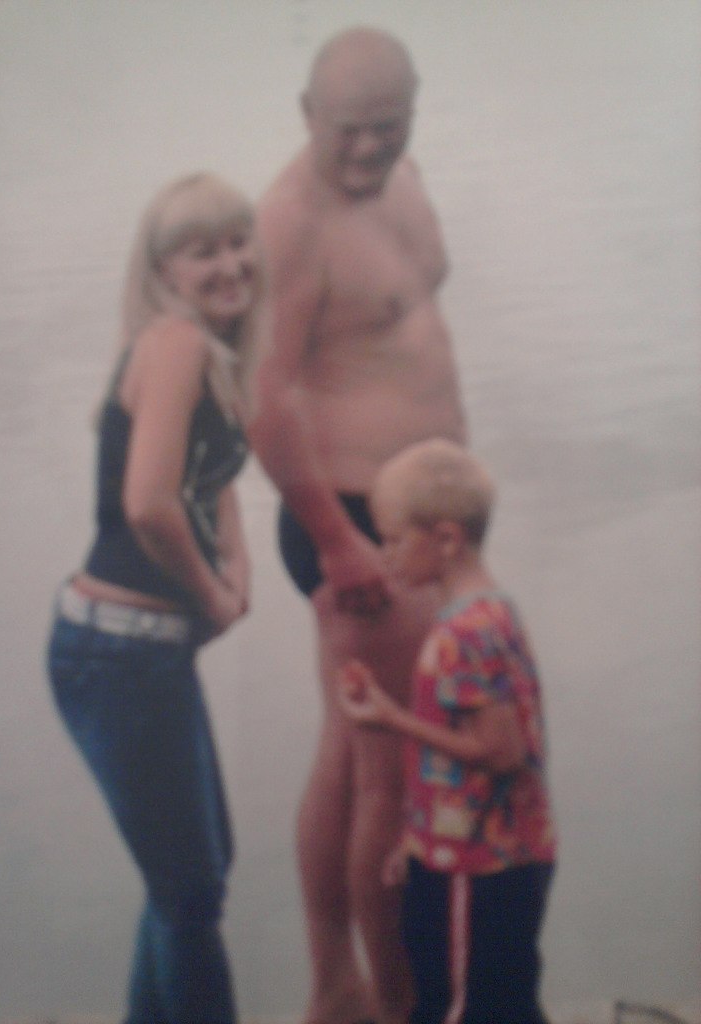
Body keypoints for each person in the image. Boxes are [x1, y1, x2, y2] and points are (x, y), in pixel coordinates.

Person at [248, 26, 467, 1024]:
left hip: (417, 518)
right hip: (356, 521)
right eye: (350, 130)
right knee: (394, 774)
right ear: (308, 115)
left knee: (351, 752)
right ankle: (400, 1006)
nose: (371, 147)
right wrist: (340, 544)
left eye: (391, 124)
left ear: (413, 112)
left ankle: (338, 989)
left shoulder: (400, 179)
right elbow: (265, 399)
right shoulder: (291, 219)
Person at [46, 172, 266, 1024]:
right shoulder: (174, 344)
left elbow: (211, 479)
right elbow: (147, 503)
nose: (230, 264)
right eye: (202, 250)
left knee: (192, 880)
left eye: (239, 241)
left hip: (142, 654)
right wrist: (209, 592)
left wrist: (238, 570)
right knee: (190, 893)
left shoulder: (214, 352)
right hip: (114, 654)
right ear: (163, 269)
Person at [337, 438, 557, 1024]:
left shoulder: (465, 633)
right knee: (502, 1001)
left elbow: (500, 752)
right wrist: (416, 841)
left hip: (479, 864)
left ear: (446, 539)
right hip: (482, 849)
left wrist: (390, 717)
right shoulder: (495, 610)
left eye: (393, 540)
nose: (385, 555)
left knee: (458, 1007)